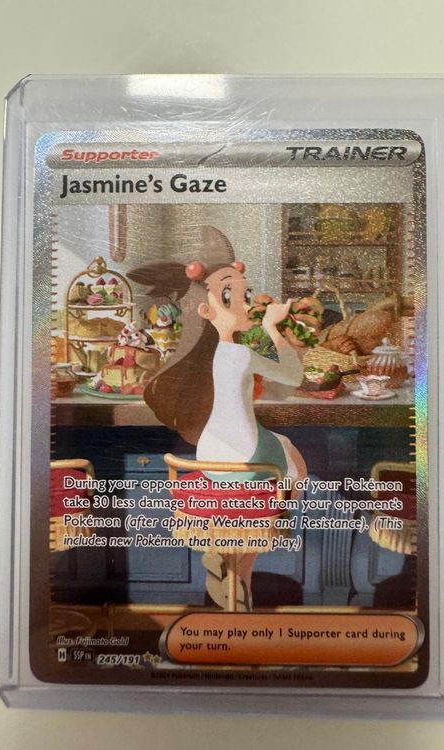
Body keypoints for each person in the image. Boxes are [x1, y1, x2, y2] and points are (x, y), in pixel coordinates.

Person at [128, 227, 307, 609]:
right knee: (295, 463)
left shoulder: (210, 355)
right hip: (244, 460)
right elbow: (292, 376)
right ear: (207, 311)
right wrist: (272, 327)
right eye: (230, 296)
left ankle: (234, 569)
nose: (243, 304)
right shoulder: (241, 354)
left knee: (278, 455)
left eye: (244, 294)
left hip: (209, 458)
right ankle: (248, 558)